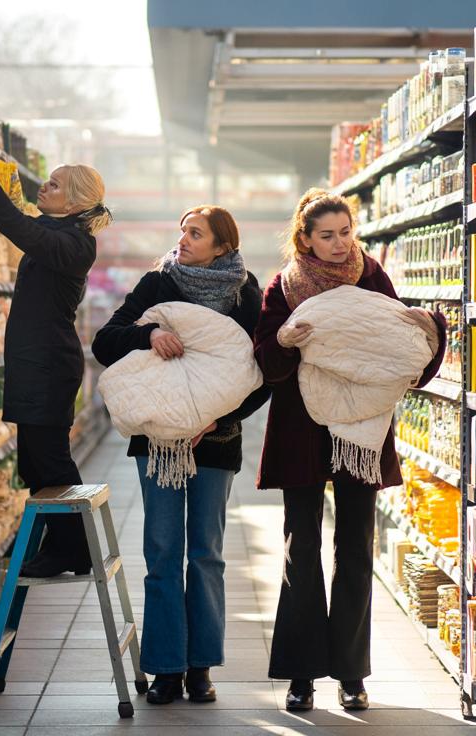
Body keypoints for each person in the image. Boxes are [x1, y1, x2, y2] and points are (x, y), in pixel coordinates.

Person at [253, 189, 445, 713]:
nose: (340, 244)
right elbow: (266, 365)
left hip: (360, 429)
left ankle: (351, 674)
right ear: (305, 239)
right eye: (327, 236)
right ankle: (301, 673)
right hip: (302, 426)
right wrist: (286, 340)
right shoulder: (283, 288)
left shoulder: (372, 276)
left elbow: (402, 349)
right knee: (302, 549)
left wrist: (429, 332)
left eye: (345, 233)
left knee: (356, 551)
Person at [92, 205, 269, 705]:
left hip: (215, 443)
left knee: (207, 555)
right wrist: (148, 334)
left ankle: (200, 667)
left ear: (222, 245)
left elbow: (262, 375)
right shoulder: (157, 284)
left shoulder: (243, 293)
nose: (183, 239)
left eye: (196, 233)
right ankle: (167, 667)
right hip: (159, 444)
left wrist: (218, 420)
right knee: (163, 552)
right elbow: (105, 342)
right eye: (183, 231)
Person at [0, 120, 110, 578]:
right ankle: (62, 546)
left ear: (76, 201)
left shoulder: (76, 244)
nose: (45, 186)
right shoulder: (60, 234)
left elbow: (16, 226)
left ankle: (74, 549)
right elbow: (25, 220)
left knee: (50, 461)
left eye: (55, 184)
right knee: (36, 463)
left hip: (47, 365)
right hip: (37, 362)